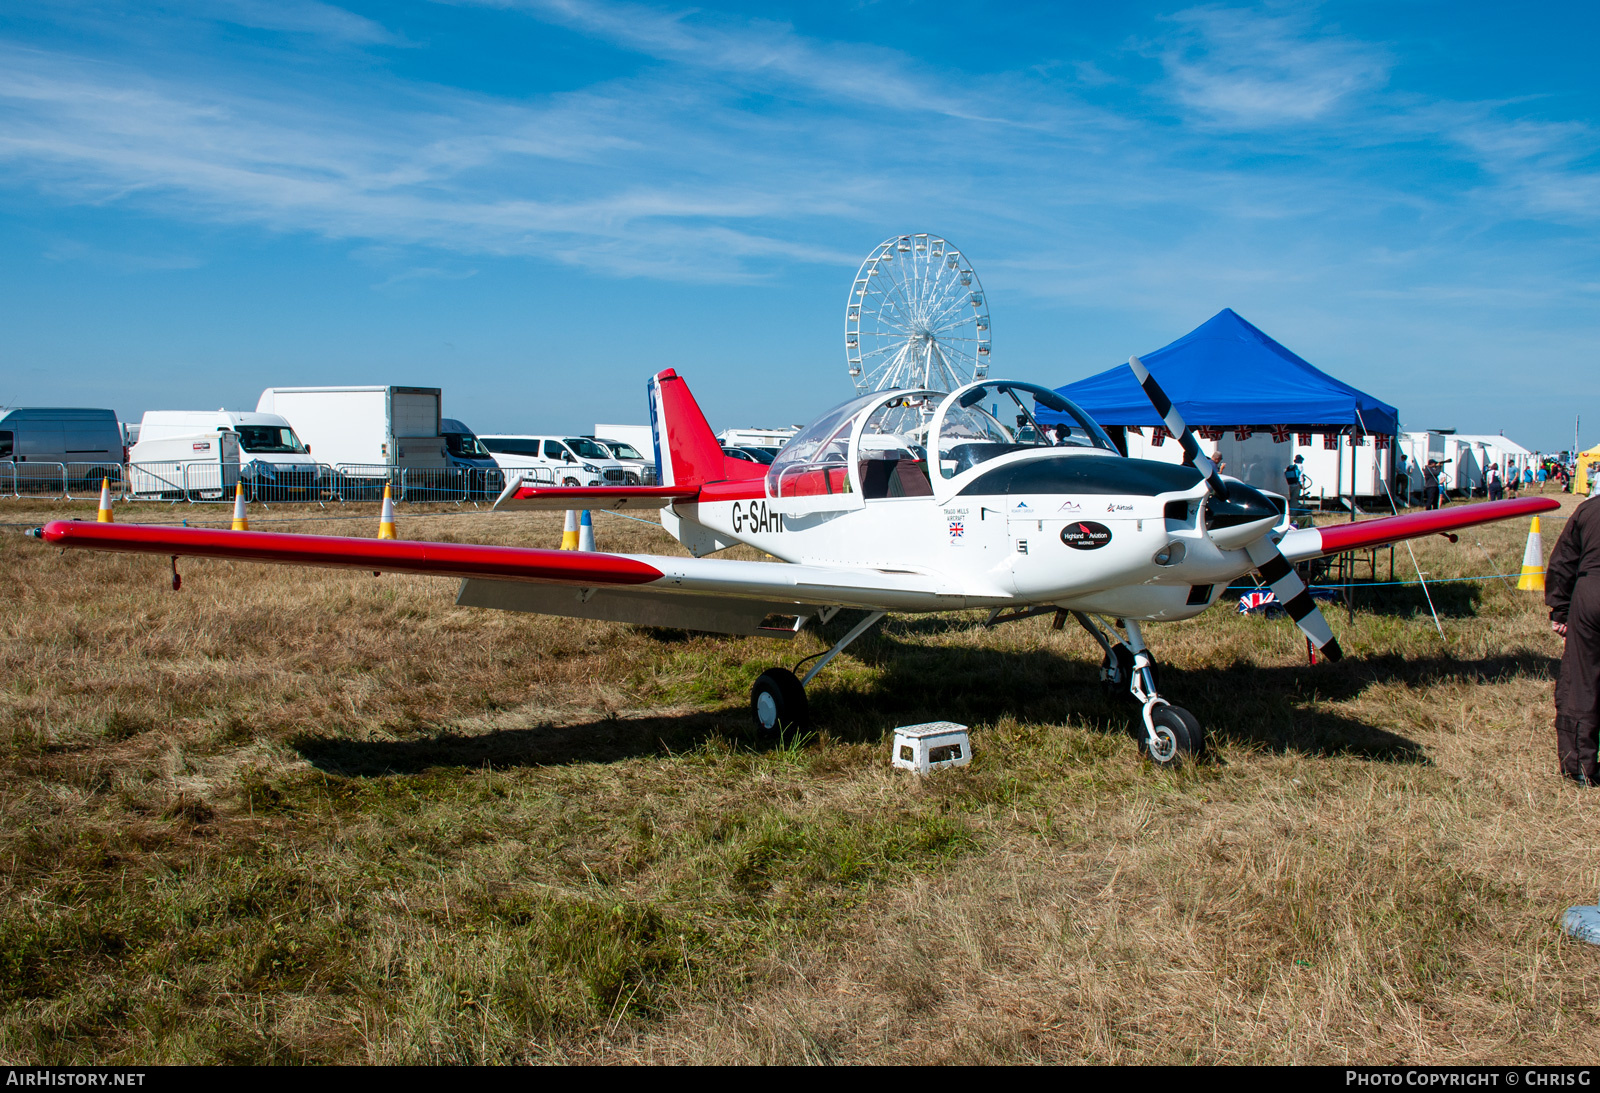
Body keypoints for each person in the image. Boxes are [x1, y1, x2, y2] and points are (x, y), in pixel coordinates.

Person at [1548, 494, 1600, 784]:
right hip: (1592, 589)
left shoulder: (1589, 508)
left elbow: (1564, 561)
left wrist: (1561, 609)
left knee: (1582, 681)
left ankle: (1580, 766)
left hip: (1591, 595)